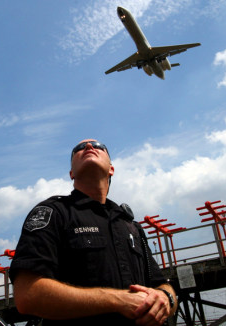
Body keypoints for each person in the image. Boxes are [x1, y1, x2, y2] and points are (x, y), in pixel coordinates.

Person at [10, 139, 177, 326]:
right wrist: (117, 300)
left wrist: (166, 297)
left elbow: (162, 283)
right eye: (79, 149)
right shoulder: (54, 213)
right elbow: (27, 295)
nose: (89, 147)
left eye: (98, 146)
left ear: (111, 169)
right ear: (71, 174)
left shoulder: (131, 225)